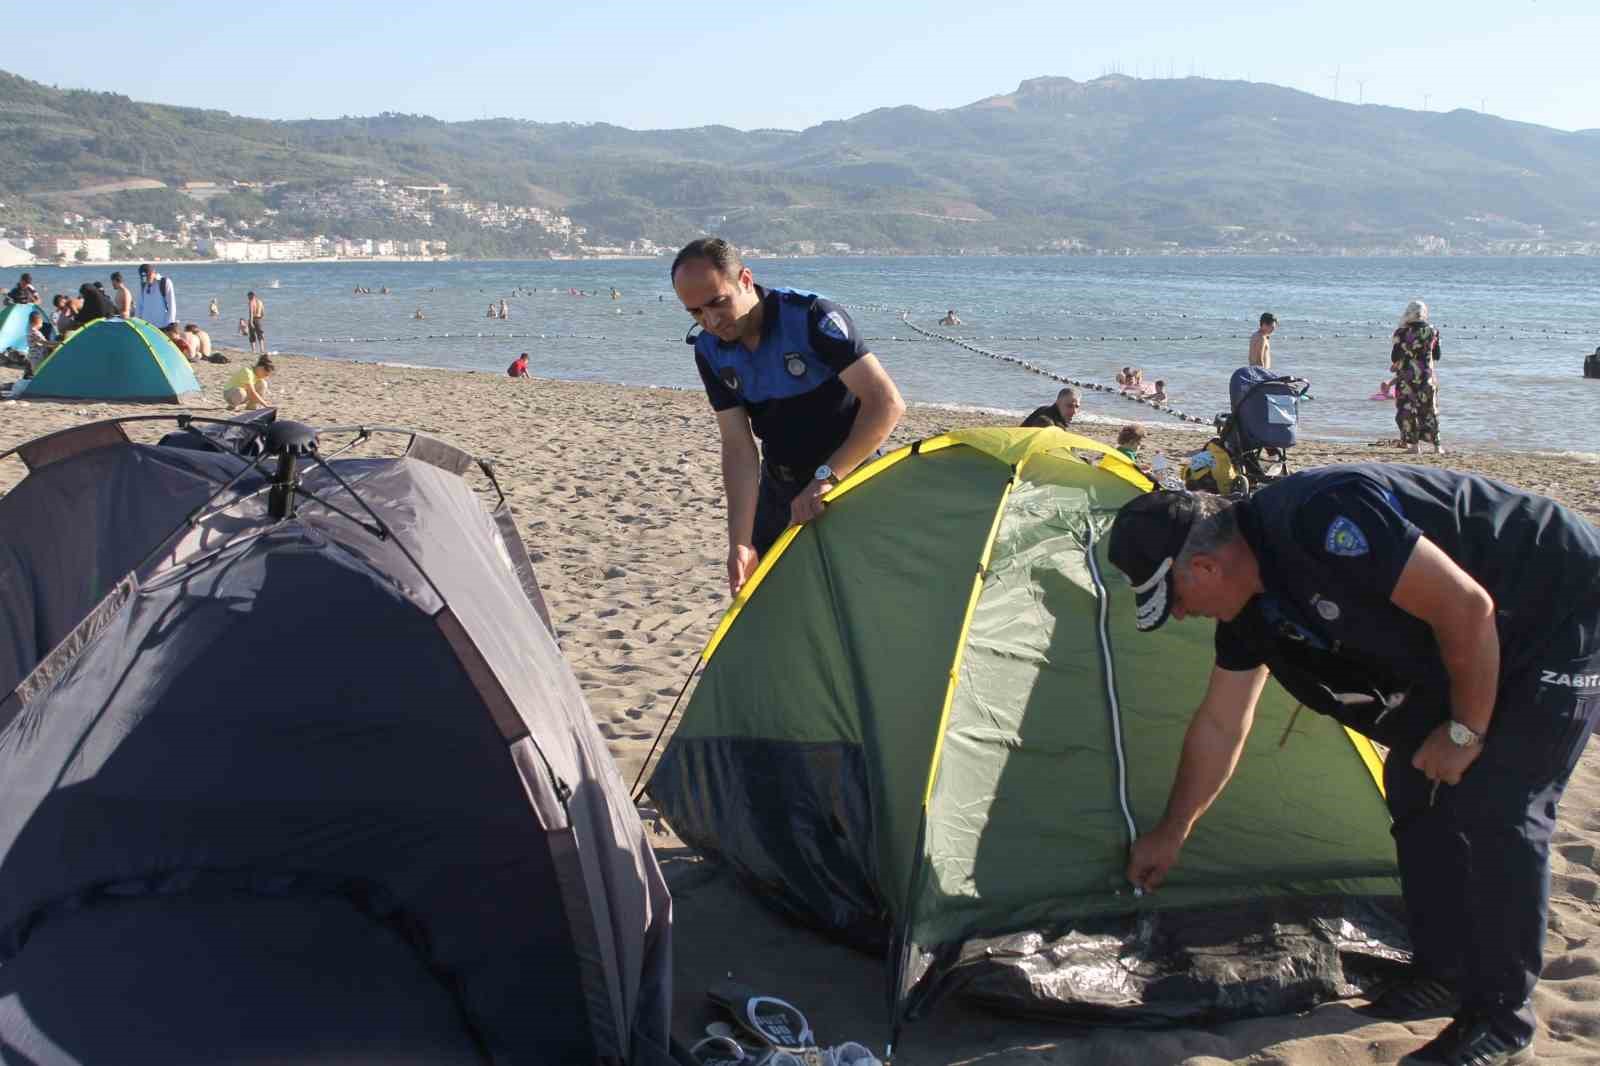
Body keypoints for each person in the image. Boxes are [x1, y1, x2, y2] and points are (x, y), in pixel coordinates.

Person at [1108, 472, 1600, 1066]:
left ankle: (1500, 1019)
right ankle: (1443, 973)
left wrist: (1466, 733)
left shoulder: (1323, 518)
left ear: (1207, 568)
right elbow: (1221, 722)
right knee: (1414, 783)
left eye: (1177, 601)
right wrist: (1174, 830)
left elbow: (1466, 607)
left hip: (1558, 600)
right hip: (1475, 634)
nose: (1183, 616)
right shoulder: (1247, 612)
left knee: (1503, 807)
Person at [671, 237, 905, 595]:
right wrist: (739, 541)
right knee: (764, 597)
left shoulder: (813, 317)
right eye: (696, 313)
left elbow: (885, 403)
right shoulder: (709, 350)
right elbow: (738, 447)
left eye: (718, 302)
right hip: (780, 488)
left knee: (860, 596)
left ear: (745, 279)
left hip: (850, 479)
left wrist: (826, 478)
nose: (712, 321)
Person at [1392, 299, 1443, 455]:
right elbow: (1437, 355)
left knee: (1407, 410)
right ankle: (1437, 447)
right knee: (1430, 410)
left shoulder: (1401, 333)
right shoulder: (1433, 331)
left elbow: (1395, 357)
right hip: (1427, 376)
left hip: (1406, 378)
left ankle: (1414, 446)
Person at [24, 309, 55, 377]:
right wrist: (57, 344)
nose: (42, 324)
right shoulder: (35, 333)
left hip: (34, 356)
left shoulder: (30, 330)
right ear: (37, 321)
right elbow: (44, 342)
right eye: (41, 322)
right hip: (37, 358)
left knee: (37, 373)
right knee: (39, 373)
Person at [246, 291, 267, 356]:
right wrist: (260, 318)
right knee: (260, 335)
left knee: (252, 335)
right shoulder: (260, 302)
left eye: (248, 296)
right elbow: (263, 313)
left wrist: (251, 322)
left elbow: (251, 313)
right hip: (258, 319)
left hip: (253, 319)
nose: (248, 298)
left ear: (251, 296)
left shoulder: (251, 302)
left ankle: (254, 350)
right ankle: (262, 350)